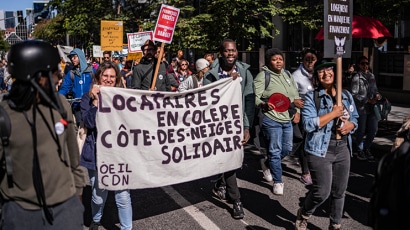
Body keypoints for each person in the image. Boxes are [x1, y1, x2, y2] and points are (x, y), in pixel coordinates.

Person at [0, 40, 86, 229]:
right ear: (39, 77)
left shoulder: (61, 105)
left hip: (65, 209)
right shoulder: (4, 115)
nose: (59, 77)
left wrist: (76, 202)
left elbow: (73, 160)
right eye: (55, 72)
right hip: (20, 212)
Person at [295, 61, 358, 230]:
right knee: (321, 192)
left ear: (335, 72)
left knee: (339, 192)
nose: (326, 73)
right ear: (316, 76)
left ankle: (335, 224)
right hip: (320, 150)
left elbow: (355, 118)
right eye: (321, 71)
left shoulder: (345, 95)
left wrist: (350, 126)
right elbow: (308, 124)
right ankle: (305, 212)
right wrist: (333, 114)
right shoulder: (311, 97)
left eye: (329, 69)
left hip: (343, 148)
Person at [203, 38, 255, 219]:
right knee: (229, 162)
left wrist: (246, 126)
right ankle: (236, 200)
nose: (230, 54)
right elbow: (205, 100)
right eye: (227, 51)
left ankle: (220, 183)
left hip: (236, 124)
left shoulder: (244, 72)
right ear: (221, 53)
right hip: (218, 125)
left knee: (232, 160)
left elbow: (249, 99)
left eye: (233, 50)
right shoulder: (211, 75)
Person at [80, 61, 132, 230]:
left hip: (119, 154)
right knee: (98, 195)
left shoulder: (122, 97)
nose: (109, 79)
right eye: (105, 76)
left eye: (112, 76)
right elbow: (88, 122)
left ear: (116, 78)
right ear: (98, 77)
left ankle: (126, 228)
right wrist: (95, 102)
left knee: (123, 196)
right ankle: (96, 219)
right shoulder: (87, 98)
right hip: (96, 154)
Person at [254, 48, 300, 195]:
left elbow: (295, 95)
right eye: (275, 59)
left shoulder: (287, 75)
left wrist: (297, 112)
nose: (278, 62)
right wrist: (262, 104)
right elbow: (254, 97)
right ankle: (278, 181)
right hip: (271, 119)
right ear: (269, 62)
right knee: (275, 151)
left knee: (287, 149)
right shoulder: (263, 76)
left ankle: (267, 164)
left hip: (288, 118)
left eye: (280, 59)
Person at [291, 48, 318, 186]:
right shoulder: (296, 75)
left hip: (317, 113)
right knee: (303, 142)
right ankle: (305, 172)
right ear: (303, 60)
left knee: (314, 141)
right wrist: (296, 111)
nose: (310, 62)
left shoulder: (318, 72)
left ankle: (314, 169)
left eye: (312, 59)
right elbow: (293, 95)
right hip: (303, 113)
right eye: (307, 59)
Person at [350, 56, 381, 161]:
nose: (365, 66)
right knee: (361, 130)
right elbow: (354, 94)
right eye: (362, 63)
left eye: (366, 63)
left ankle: (367, 147)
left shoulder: (371, 76)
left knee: (373, 129)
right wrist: (367, 100)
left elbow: (375, 89)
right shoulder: (356, 77)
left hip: (373, 107)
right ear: (358, 65)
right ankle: (360, 150)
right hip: (362, 108)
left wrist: (377, 95)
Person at [58, 48, 94, 126]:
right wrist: (58, 97)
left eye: (74, 57)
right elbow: (65, 88)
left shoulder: (92, 71)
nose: (72, 59)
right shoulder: (71, 73)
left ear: (80, 57)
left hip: (90, 105)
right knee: (80, 128)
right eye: (71, 58)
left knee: (91, 126)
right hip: (77, 106)